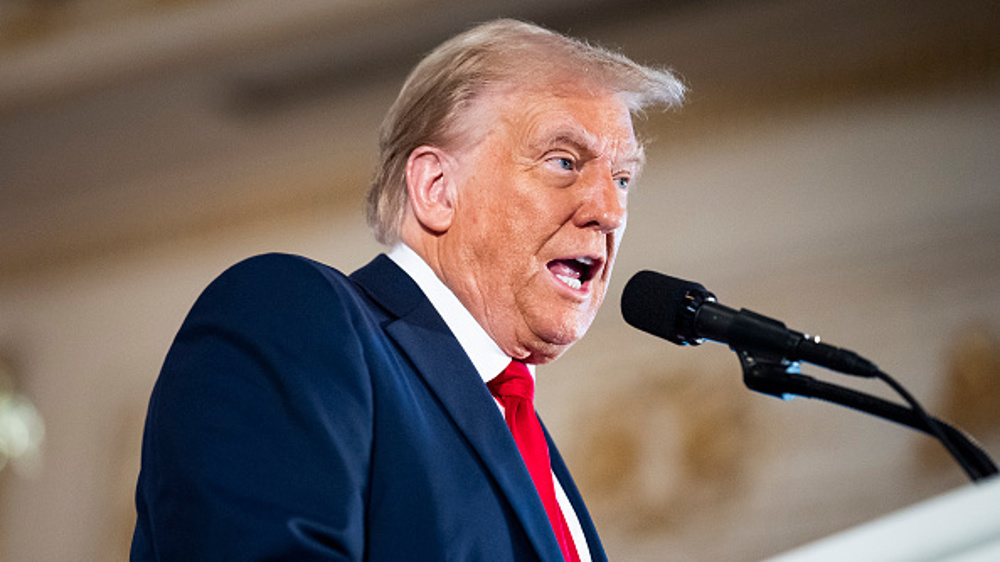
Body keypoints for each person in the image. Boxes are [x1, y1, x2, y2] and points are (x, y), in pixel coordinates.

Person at [131, 18, 683, 561]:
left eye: (623, 179)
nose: (610, 212)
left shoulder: (519, 432)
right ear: (437, 189)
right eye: (563, 162)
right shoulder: (290, 316)